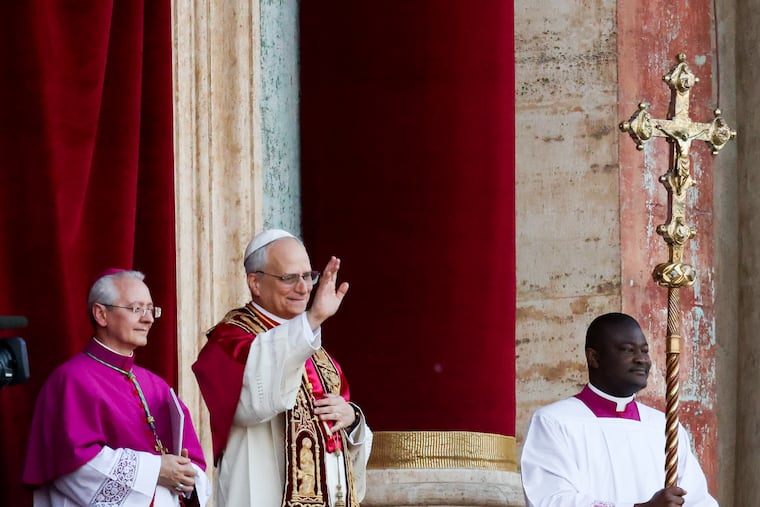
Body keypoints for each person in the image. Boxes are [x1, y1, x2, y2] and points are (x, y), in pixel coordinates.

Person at [192, 229, 372, 507]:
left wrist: (352, 419)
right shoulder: (229, 341)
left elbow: (338, 437)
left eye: (307, 276)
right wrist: (313, 319)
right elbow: (254, 402)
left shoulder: (317, 353)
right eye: (289, 278)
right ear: (255, 282)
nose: (303, 288)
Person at [23, 269, 211, 507]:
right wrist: (156, 469)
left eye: (151, 309)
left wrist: (186, 477)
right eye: (136, 309)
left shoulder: (157, 385)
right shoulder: (70, 381)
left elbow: (193, 460)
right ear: (101, 314)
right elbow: (74, 467)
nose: (148, 318)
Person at [520, 312, 718, 507]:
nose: (642, 359)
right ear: (594, 357)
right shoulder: (555, 422)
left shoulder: (664, 427)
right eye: (627, 350)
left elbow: (697, 500)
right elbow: (551, 500)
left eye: (644, 350)